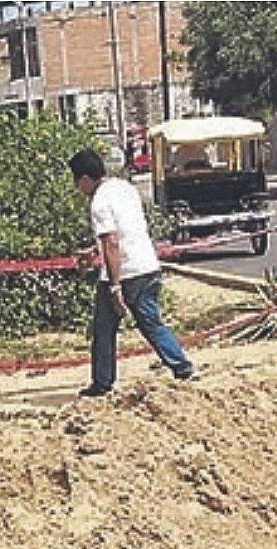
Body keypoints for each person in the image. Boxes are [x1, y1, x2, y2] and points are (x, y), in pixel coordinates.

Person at [68, 148, 195, 396]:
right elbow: (123, 232)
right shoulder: (123, 187)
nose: (77, 188)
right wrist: (93, 250)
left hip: (124, 272)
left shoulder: (99, 203)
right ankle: (181, 366)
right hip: (147, 264)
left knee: (103, 329)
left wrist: (115, 287)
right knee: (150, 321)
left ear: (84, 179)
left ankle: (102, 382)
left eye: (76, 182)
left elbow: (112, 242)